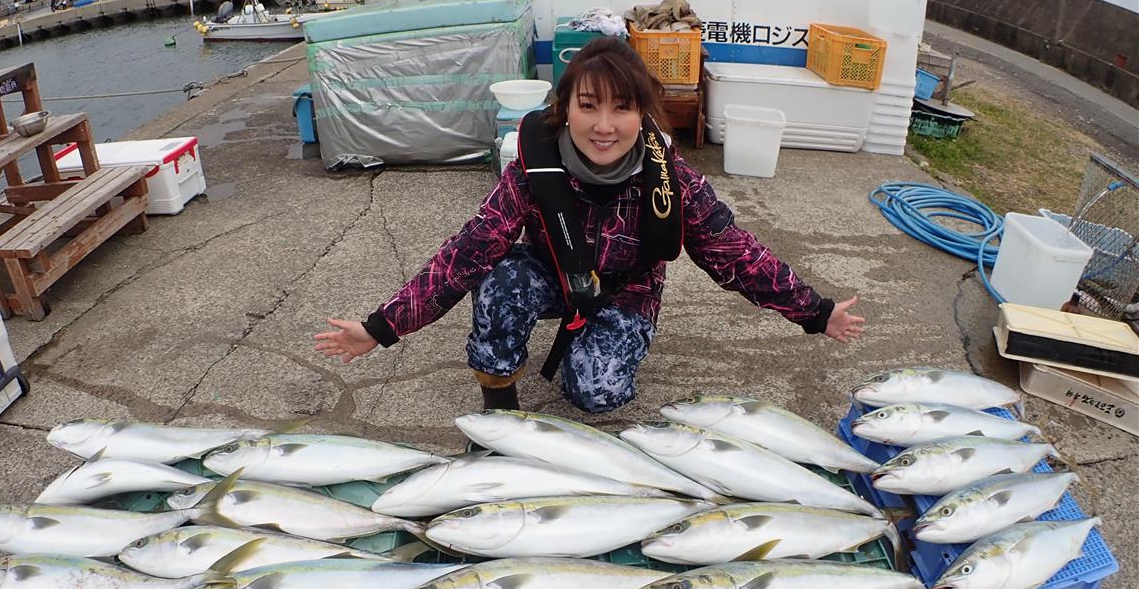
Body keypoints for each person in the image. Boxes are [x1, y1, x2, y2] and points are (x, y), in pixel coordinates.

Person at [314, 37, 864, 413]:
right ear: (565, 108)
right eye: (588, 106)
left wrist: (816, 312)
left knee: (597, 394)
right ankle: (499, 405)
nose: (604, 126)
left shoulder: (671, 179)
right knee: (499, 277)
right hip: (554, 274)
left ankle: (600, 352)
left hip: (625, 293)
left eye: (622, 108)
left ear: (643, 114)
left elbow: (738, 256)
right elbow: (464, 255)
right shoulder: (533, 171)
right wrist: (380, 328)